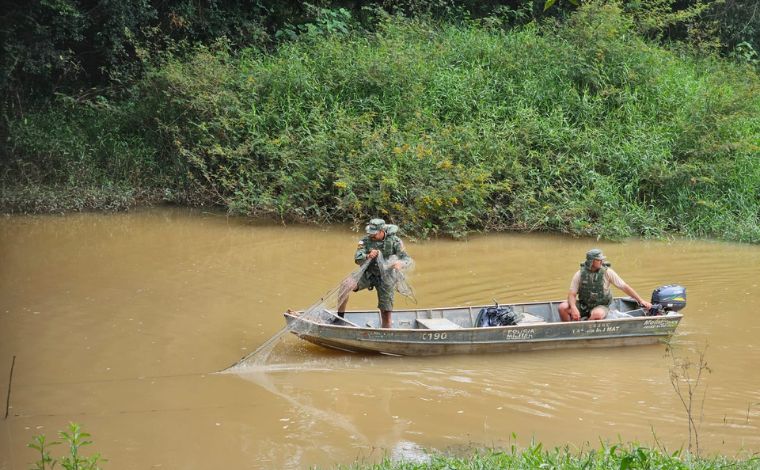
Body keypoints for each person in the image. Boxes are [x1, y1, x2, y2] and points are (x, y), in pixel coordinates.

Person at [337, 218, 410, 328]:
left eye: (374, 234)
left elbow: (407, 259)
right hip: (368, 273)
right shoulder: (365, 241)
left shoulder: (395, 241)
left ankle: (386, 333)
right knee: (345, 285)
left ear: (382, 231)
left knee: (386, 313)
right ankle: (339, 319)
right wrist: (367, 256)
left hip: (386, 277)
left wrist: (400, 263)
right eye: (370, 233)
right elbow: (357, 259)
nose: (372, 236)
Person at [558, 249, 652, 321]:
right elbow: (572, 294)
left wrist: (640, 300)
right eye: (599, 260)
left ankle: (587, 328)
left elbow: (624, 286)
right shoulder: (579, 274)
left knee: (597, 314)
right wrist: (574, 308)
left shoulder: (607, 272)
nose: (602, 262)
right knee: (562, 307)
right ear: (591, 261)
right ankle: (570, 329)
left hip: (601, 306)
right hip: (584, 305)